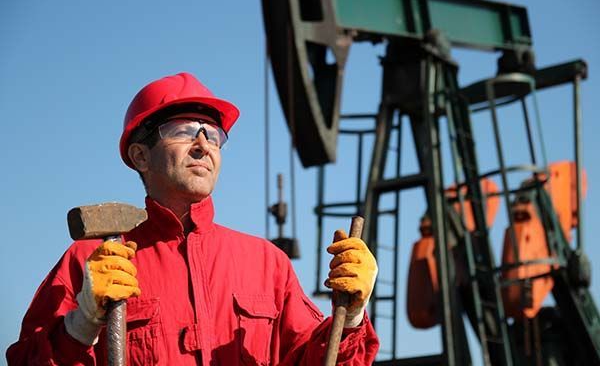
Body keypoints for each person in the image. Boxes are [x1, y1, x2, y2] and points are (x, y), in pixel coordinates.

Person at [7, 72, 379, 365]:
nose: (203, 145)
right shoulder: (93, 263)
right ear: (140, 156)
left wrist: (353, 316)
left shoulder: (268, 265)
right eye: (183, 131)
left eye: (213, 135)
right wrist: (82, 322)